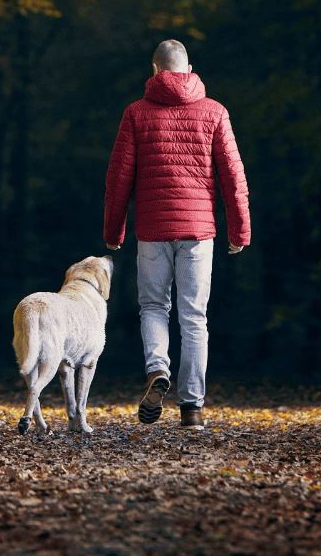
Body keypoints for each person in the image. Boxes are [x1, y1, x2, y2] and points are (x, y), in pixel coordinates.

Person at [103, 39, 250, 429]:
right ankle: (193, 409)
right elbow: (233, 177)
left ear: (155, 72)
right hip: (199, 233)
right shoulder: (215, 112)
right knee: (194, 318)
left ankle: (156, 370)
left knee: (153, 308)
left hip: (152, 230)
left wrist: (113, 231)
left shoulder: (135, 114)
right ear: (189, 69)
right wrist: (240, 230)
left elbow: (119, 179)